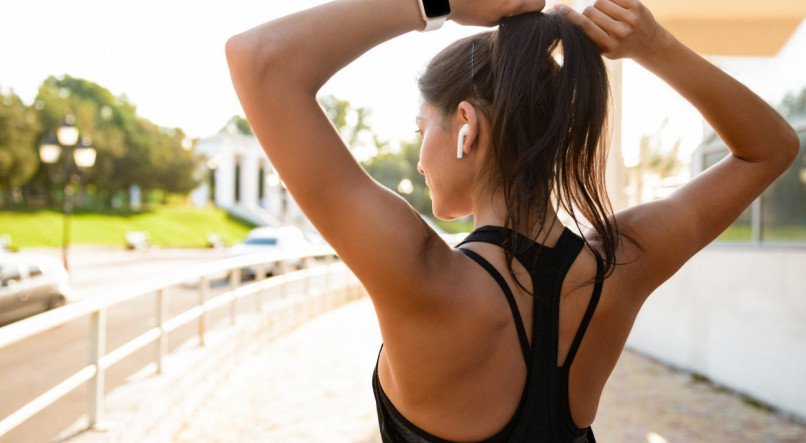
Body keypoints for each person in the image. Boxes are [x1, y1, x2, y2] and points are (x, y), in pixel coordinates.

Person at [225, 0, 799, 441]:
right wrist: (654, 46)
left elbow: (260, 61)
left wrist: (441, 5)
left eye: (422, 127)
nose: (420, 157)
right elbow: (769, 148)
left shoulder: (421, 276)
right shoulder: (619, 266)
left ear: (466, 127)